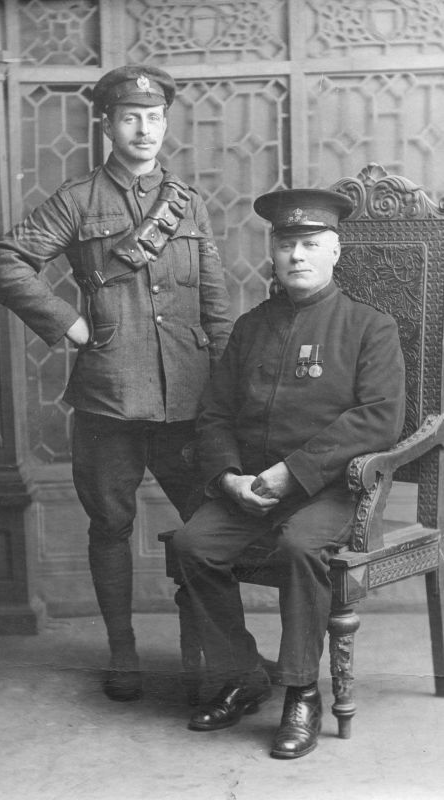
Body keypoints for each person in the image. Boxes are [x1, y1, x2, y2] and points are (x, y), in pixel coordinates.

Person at [0, 65, 233, 702]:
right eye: (129, 117)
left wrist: (229, 391)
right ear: (106, 124)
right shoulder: (78, 199)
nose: (143, 129)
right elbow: (4, 261)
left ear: (166, 122)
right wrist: (67, 323)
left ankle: (198, 646)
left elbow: (216, 305)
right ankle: (122, 651)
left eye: (153, 117)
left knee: (205, 529)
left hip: (188, 398)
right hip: (108, 398)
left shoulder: (190, 203)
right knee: (110, 528)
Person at [172, 188, 406, 758]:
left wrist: (291, 473)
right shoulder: (251, 328)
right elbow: (216, 414)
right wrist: (227, 477)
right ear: (272, 255)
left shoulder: (369, 326)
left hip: (332, 489)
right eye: (286, 245)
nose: (297, 256)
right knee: (191, 544)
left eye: (311, 244)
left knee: (303, 547)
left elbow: (379, 418)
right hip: (251, 487)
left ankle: (301, 691)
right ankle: (242, 675)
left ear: (335, 253)